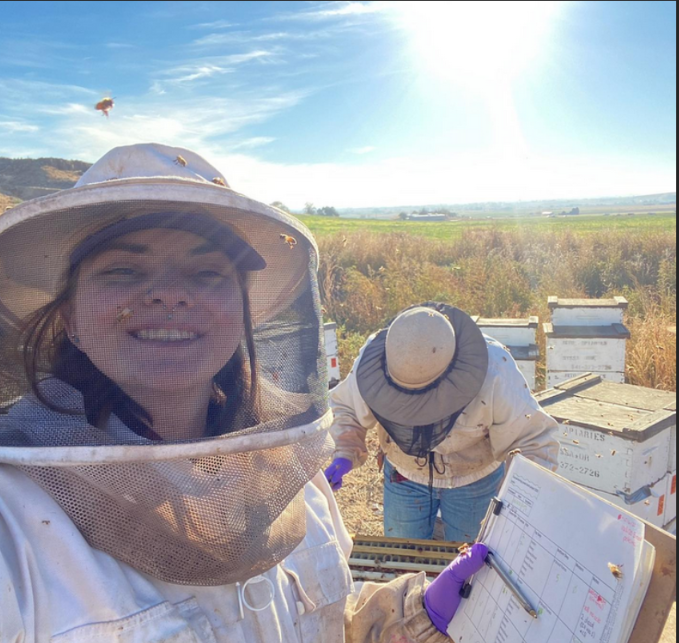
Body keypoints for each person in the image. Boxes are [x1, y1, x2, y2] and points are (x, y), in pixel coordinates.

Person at [0, 143, 486, 642]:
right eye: (123, 270)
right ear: (71, 321)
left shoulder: (291, 473)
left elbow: (320, 623)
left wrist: (407, 618)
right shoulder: (14, 526)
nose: (171, 293)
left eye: (207, 272)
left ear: (242, 314)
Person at [325, 303, 559, 541]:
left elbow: (533, 441)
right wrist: (344, 450)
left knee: (468, 563)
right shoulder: (376, 358)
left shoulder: (495, 370)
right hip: (404, 474)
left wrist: (518, 502)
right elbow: (347, 407)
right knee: (405, 564)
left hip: (474, 479)